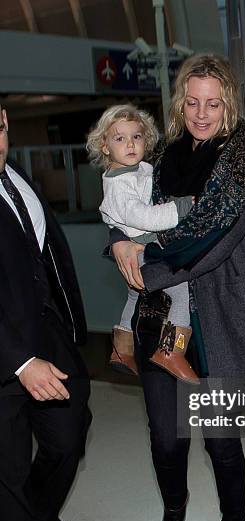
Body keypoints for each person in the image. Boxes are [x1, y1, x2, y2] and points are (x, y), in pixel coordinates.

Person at [110, 54, 245, 521]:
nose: (201, 113)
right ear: (179, 101)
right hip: (162, 315)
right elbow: (124, 203)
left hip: (220, 318)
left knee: (221, 443)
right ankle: (174, 510)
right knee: (166, 438)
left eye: (213, 103)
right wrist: (118, 240)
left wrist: (145, 261)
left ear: (228, 103)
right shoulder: (160, 154)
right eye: (192, 101)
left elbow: (214, 240)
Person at [0, 105, 91, 521]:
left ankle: (35, 514)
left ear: (6, 122)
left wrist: (71, 332)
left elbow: (46, 260)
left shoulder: (20, 181)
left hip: (51, 342)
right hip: (5, 362)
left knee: (69, 437)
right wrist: (19, 362)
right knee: (6, 476)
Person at [88, 104, 197, 383]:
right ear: (104, 146)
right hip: (142, 249)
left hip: (137, 249)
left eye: (136, 137)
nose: (130, 144)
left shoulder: (135, 170)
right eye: (120, 138)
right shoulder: (120, 183)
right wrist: (181, 207)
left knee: (134, 295)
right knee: (182, 290)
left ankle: (122, 349)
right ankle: (172, 350)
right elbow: (144, 217)